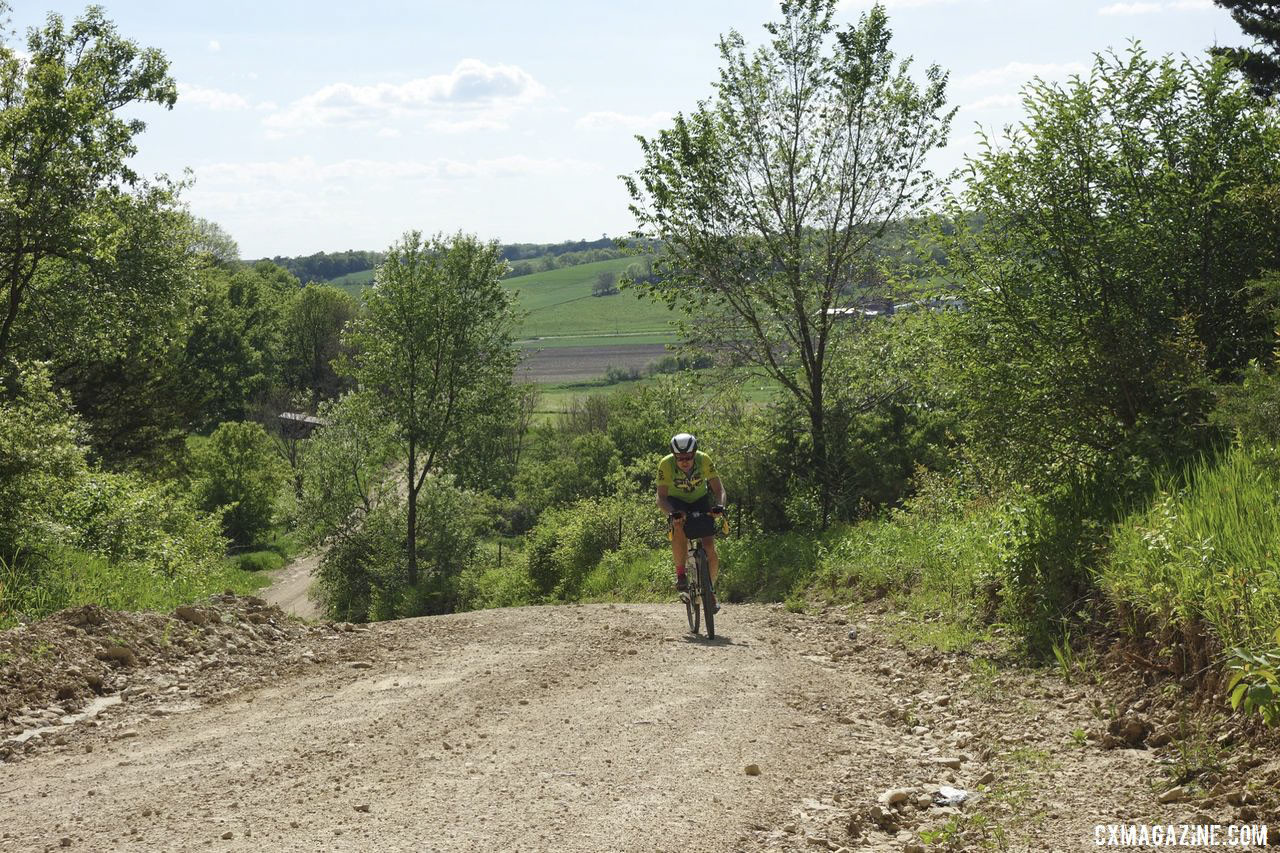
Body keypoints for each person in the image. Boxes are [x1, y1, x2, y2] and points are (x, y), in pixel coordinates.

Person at [656, 432, 726, 603]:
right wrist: (673, 513)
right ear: (674, 456)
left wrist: (720, 507)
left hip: (699, 500)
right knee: (678, 526)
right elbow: (661, 498)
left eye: (688, 457)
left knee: (709, 546)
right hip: (675, 501)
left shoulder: (704, 460)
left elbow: (719, 490)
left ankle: (709, 589)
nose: (684, 461)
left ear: (695, 454)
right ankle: (681, 574)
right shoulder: (665, 464)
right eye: (680, 458)